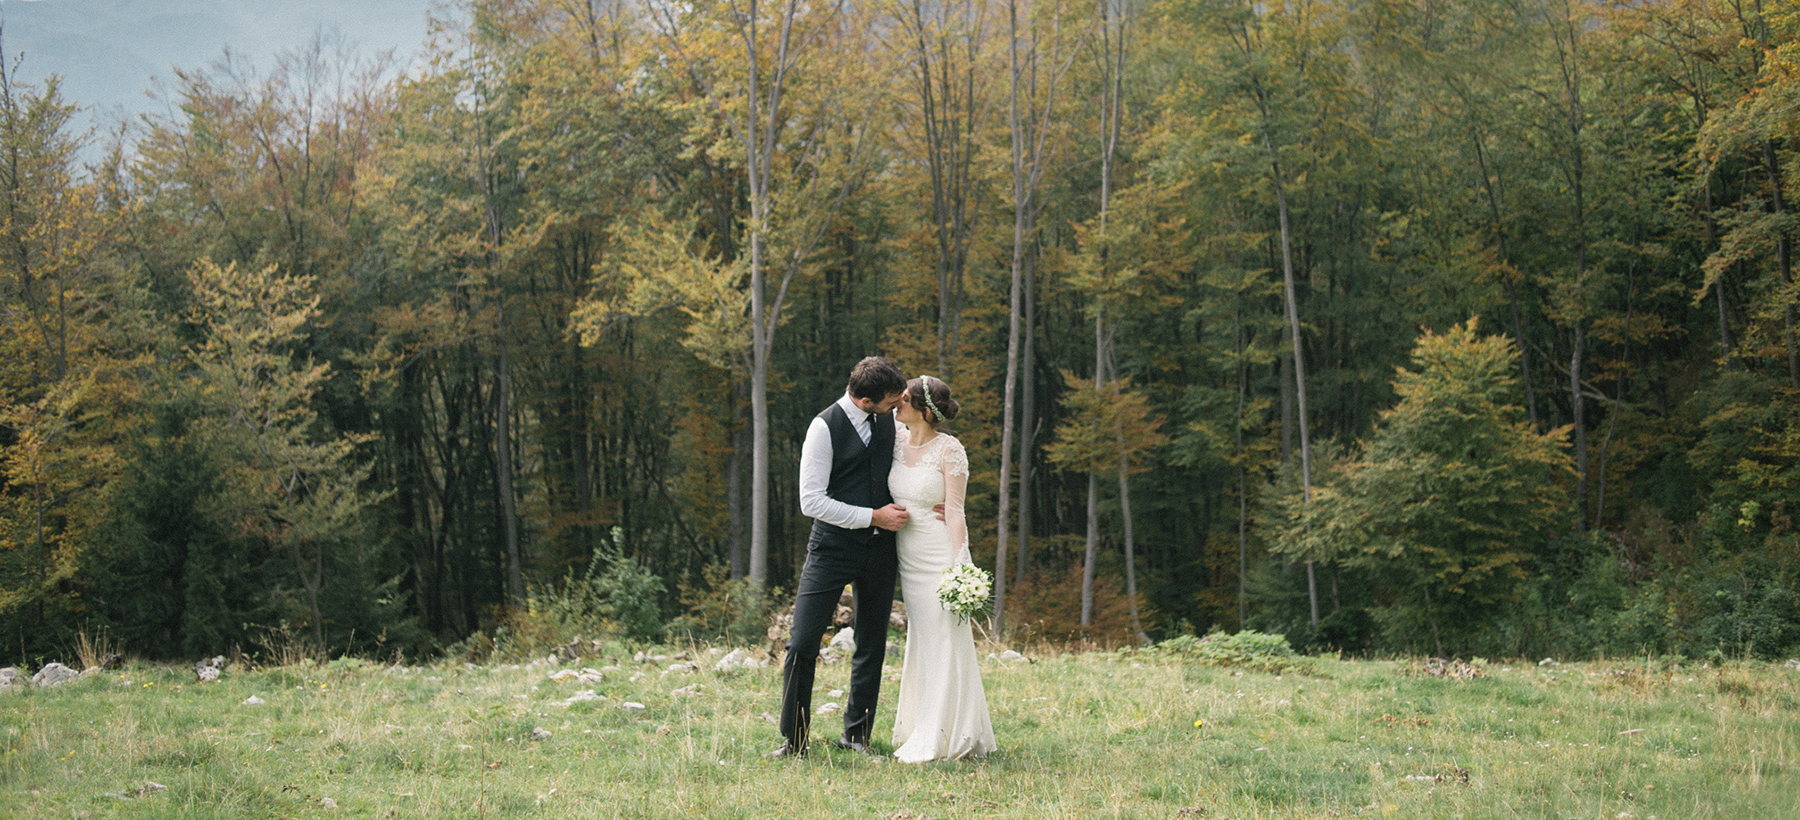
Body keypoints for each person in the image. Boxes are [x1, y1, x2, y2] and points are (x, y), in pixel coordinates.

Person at [772, 356, 910, 758]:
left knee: (872, 641)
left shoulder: (889, 421)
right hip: (831, 549)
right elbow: (810, 501)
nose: (896, 407)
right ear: (866, 401)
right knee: (802, 643)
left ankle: (857, 735)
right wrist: (872, 516)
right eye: (890, 401)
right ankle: (794, 740)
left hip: (881, 550)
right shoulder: (823, 427)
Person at [888, 375, 995, 762]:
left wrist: (961, 565)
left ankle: (949, 734)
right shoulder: (895, 439)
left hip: (937, 556)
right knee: (922, 640)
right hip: (906, 557)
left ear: (922, 408)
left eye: (903, 399)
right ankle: (921, 724)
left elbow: (954, 510)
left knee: (946, 638)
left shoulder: (950, 450)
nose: (896, 404)